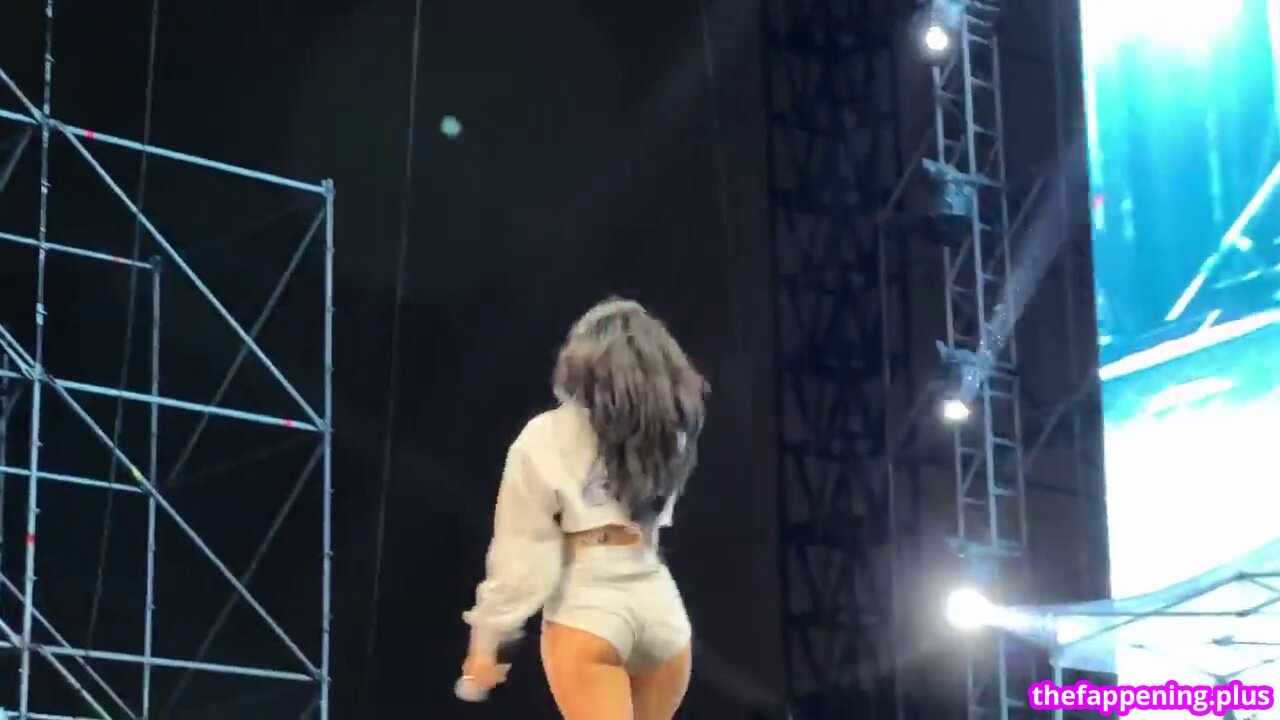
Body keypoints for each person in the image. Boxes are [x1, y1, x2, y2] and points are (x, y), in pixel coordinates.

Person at [458, 297, 709, 720]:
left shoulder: (545, 435)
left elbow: (520, 553)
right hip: (662, 611)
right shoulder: (669, 435)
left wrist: (485, 644)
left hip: (590, 607)